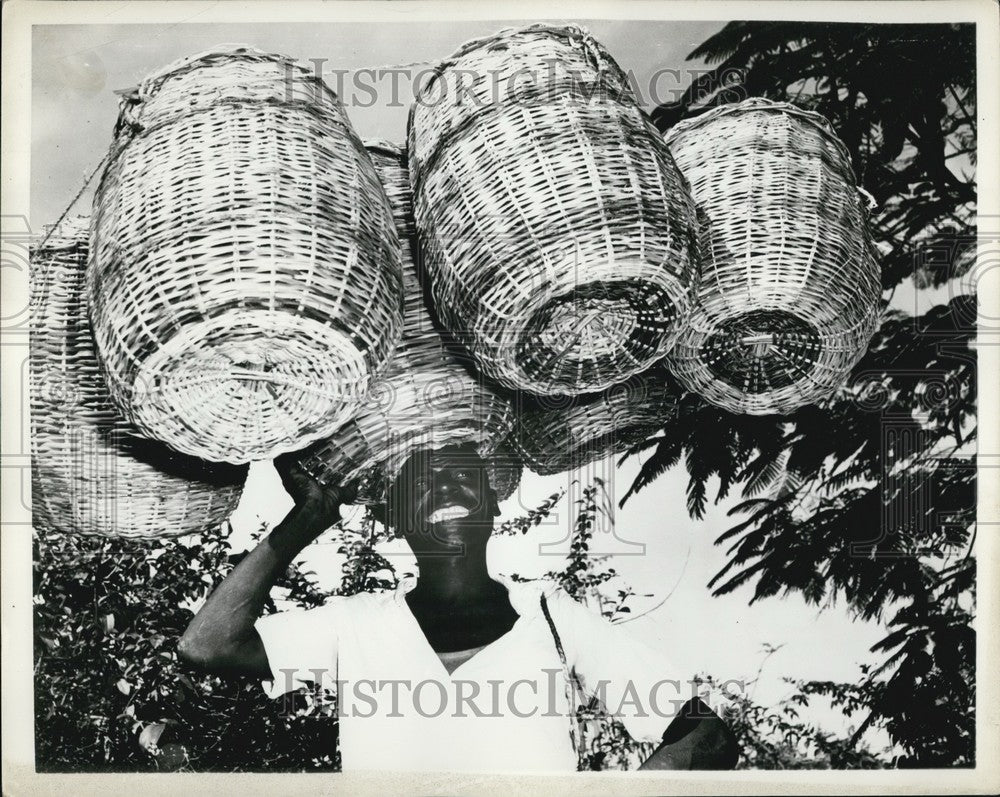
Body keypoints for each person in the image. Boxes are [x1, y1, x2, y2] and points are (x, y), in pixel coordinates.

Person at [179, 442, 738, 772]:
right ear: (397, 520)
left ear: (493, 506)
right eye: (422, 484)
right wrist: (309, 517)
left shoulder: (550, 615)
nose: (445, 491)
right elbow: (207, 645)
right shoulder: (356, 625)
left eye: (462, 479)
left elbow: (706, 735)